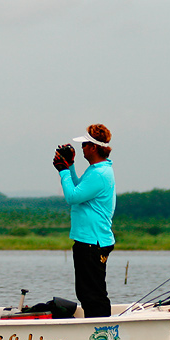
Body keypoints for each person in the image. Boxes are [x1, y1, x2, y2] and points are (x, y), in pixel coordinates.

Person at [52, 124, 116, 318]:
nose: (82, 148)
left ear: (93, 147)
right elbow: (80, 189)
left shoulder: (99, 174)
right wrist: (70, 166)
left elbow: (72, 196)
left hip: (92, 242)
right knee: (87, 291)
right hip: (88, 241)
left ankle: (100, 333)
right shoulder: (96, 169)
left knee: (92, 293)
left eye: (85, 145)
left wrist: (63, 171)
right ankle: (95, 329)